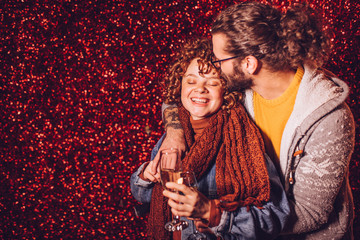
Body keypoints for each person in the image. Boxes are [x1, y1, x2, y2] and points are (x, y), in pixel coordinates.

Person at [158, 2, 356, 240]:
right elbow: (178, 101)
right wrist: (174, 135)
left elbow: (311, 213)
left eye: (219, 60)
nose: (215, 67)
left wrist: (218, 216)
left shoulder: (329, 119)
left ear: (249, 64)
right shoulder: (240, 89)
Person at [130, 38, 290, 240]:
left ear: (227, 90)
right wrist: (145, 175)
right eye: (191, 81)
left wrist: (211, 212)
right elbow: (143, 196)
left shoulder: (244, 142)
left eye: (213, 83)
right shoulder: (172, 136)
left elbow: (275, 217)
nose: (200, 89)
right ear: (179, 85)